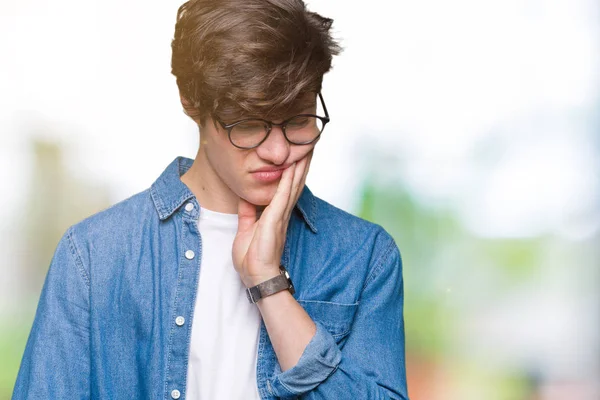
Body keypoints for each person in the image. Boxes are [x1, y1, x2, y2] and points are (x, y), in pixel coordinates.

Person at [13, 0, 409, 399]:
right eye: (250, 123)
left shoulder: (365, 258)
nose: (277, 151)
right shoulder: (95, 257)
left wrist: (268, 284)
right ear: (192, 102)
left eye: (298, 120)